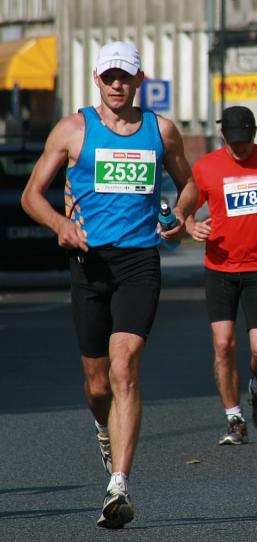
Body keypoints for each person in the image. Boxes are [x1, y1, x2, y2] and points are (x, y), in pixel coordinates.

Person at [21, 41, 198, 528]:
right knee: (98, 384)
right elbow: (31, 195)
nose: (117, 85)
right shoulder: (73, 130)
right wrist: (60, 224)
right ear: (97, 79)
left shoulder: (161, 130)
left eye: (126, 77)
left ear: (140, 80)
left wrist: (180, 216)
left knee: (124, 368)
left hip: (139, 263)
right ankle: (103, 427)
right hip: (89, 264)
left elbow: (189, 185)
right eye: (109, 77)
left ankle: (119, 484)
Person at [187, 106, 257, 446]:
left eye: (245, 141)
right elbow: (185, 209)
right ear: (223, 135)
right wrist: (192, 226)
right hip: (220, 267)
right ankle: (234, 418)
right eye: (233, 141)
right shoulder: (205, 167)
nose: (240, 147)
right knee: (223, 344)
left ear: (254, 133)